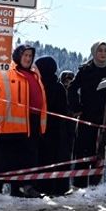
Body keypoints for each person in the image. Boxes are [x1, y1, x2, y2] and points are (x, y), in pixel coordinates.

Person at [0, 43, 48, 196]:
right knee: (7, 160)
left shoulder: (35, 74)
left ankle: (26, 187)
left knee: (29, 157)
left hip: (32, 123)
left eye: (30, 56)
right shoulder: (4, 72)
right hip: (9, 124)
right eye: (25, 55)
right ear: (18, 56)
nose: (27, 59)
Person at [68, 41, 106, 187]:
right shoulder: (85, 70)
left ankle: (97, 188)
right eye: (100, 50)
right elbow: (72, 89)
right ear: (94, 52)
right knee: (84, 153)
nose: (103, 53)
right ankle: (79, 188)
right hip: (87, 117)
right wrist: (77, 108)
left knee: (102, 154)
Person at [32, 56, 72, 196]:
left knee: (49, 158)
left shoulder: (48, 86)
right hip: (53, 129)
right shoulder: (51, 85)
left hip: (51, 129)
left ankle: (49, 188)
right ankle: (53, 188)